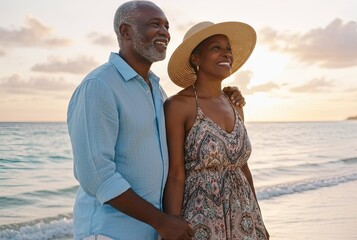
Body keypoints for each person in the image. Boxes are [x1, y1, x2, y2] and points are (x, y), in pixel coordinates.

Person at [67, 2, 245, 239]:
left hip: (150, 231)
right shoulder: (99, 86)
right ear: (125, 32)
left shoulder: (155, 91)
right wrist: (161, 221)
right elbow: (97, 177)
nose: (165, 32)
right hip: (109, 232)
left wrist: (220, 98)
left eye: (167, 26)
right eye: (155, 24)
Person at [163, 21, 269, 239]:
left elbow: (243, 168)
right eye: (216, 48)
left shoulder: (235, 103)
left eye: (228, 49)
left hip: (246, 221)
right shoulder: (178, 106)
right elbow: (175, 174)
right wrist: (171, 227)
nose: (226, 54)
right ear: (196, 58)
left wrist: (260, 221)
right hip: (201, 222)